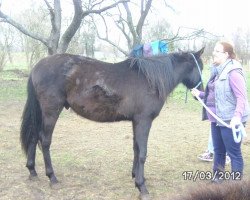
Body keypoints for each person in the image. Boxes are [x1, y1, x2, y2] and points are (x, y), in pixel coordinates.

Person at [191, 41, 249, 182]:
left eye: (217, 51)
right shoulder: (217, 71)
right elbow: (215, 95)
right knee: (218, 151)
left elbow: (241, 98)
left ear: (226, 55)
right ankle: (217, 179)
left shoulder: (234, 73)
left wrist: (236, 117)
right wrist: (200, 94)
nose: (214, 53)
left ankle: (236, 185)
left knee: (233, 153)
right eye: (214, 51)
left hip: (230, 120)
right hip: (216, 118)